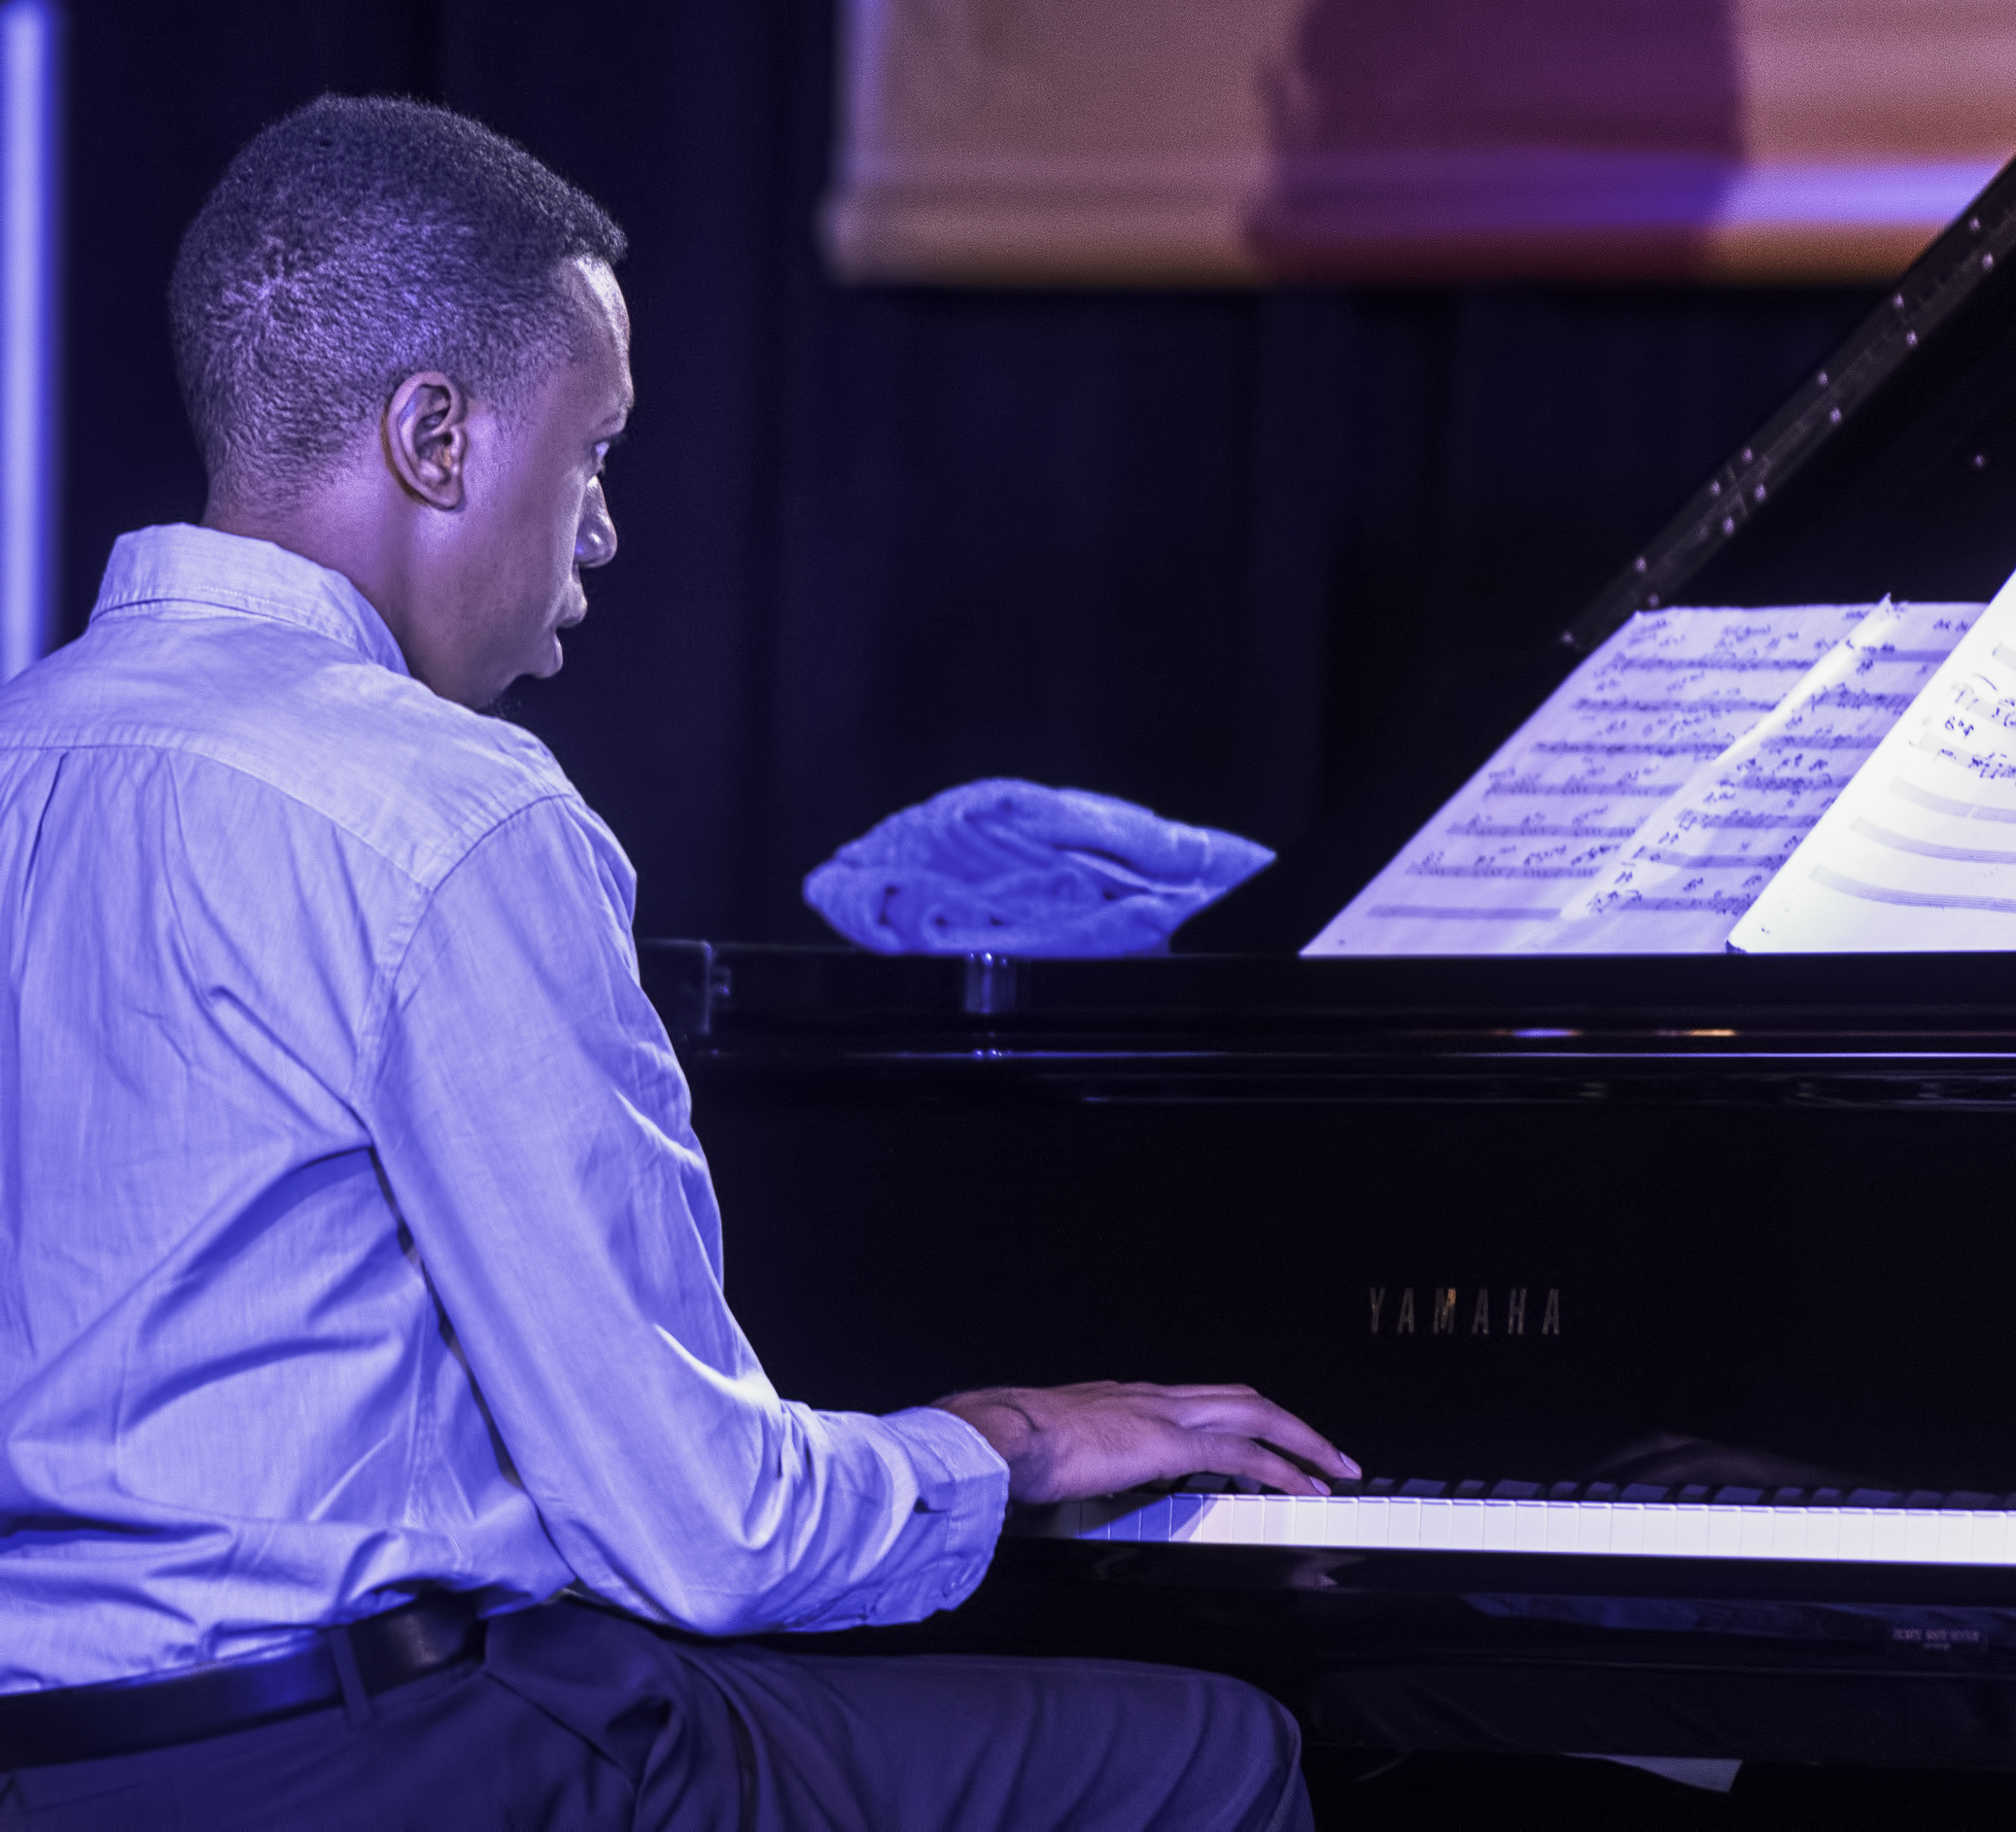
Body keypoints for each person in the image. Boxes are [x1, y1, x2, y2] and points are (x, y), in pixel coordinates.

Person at [0, 96, 1355, 1829]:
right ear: (435, 435)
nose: (607, 530)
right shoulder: (447, 810)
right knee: (1208, 1758)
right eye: (596, 453)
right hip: (386, 1767)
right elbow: (703, 1527)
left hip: (61, 1774)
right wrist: (1010, 1437)